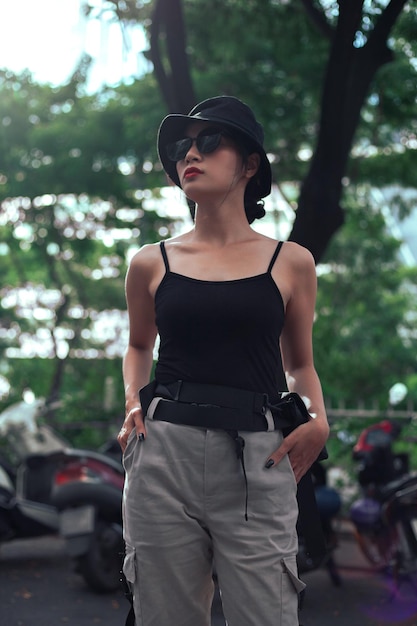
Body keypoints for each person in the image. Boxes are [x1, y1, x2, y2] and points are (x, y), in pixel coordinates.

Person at [118, 95, 329, 626]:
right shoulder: (151, 262)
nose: (191, 153)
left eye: (209, 141)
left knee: (267, 615)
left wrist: (318, 419)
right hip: (163, 455)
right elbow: (139, 345)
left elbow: (300, 364)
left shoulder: (291, 261)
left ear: (250, 164)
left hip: (260, 455)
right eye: (181, 146)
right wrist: (131, 403)